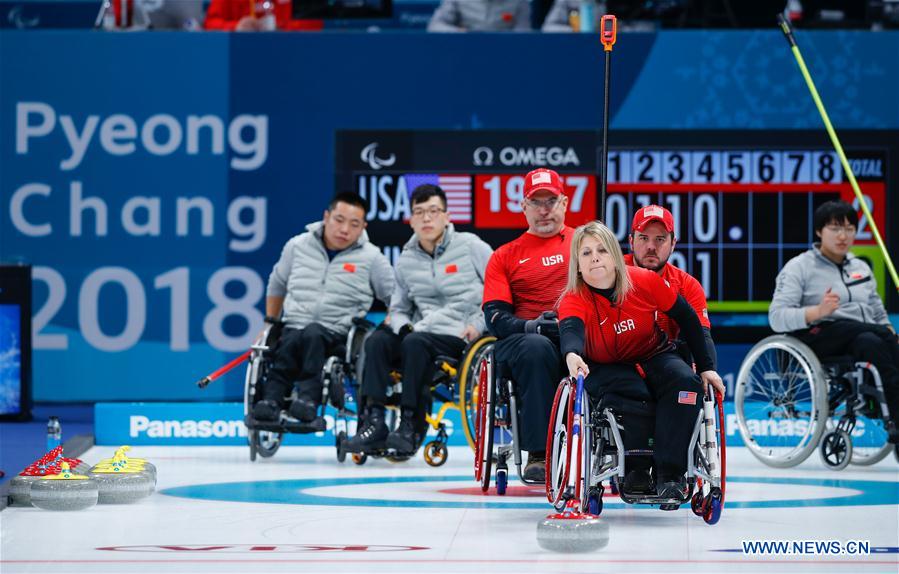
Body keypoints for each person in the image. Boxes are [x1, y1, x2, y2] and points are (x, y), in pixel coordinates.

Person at [558, 221, 725, 502]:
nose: (595, 257)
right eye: (585, 253)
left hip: (653, 353)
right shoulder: (574, 298)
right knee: (635, 392)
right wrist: (572, 354)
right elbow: (571, 330)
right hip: (605, 364)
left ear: (614, 256)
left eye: (601, 250)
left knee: (685, 385)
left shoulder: (644, 281)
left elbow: (688, 318)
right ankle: (635, 470)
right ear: (577, 265)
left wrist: (706, 367)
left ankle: (671, 475)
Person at [344, 185, 494, 455]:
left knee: (415, 342)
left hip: (461, 336)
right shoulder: (405, 259)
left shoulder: (472, 247)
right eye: (419, 212)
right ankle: (374, 421)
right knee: (377, 340)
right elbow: (399, 307)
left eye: (433, 211)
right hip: (420, 332)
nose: (426, 218)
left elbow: (498, 294)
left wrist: (478, 325)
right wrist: (403, 326)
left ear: (447, 216)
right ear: (411, 219)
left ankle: (410, 425)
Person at [253, 192, 394, 422]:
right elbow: (277, 283)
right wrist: (269, 323)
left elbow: (395, 298)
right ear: (326, 217)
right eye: (339, 220)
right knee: (288, 340)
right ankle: (271, 399)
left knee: (313, 333)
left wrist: (391, 321)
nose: (344, 229)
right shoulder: (297, 246)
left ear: (363, 227)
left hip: (339, 335)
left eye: (354, 224)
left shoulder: (372, 258)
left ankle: (309, 398)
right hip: (294, 328)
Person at [769, 200, 899, 443]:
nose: (843, 235)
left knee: (872, 340)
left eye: (850, 229)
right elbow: (777, 317)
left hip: (862, 337)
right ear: (819, 231)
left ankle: (888, 416)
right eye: (836, 228)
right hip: (818, 334)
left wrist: (889, 330)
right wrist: (817, 311)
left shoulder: (861, 267)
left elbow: (878, 313)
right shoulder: (799, 267)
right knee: (878, 334)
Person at [482, 167, 573, 482]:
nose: (544, 209)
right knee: (537, 349)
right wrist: (532, 326)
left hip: (577, 332)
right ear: (524, 207)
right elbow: (495, 318)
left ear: (564, 202)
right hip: (526, 340)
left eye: (551, 200)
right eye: (537, 202)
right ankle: (539, 453)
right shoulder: (505, 255)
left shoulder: (585, 243)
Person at [626, 204, 716, 369]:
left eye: (660, 239)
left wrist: (708, 371)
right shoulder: (611, 273)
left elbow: (702, 336)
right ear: (631, 241)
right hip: (620, 363)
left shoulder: (687, 286)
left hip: (666, 365)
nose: (651, 246)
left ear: (673, 244)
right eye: (644, 238)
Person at [204, 0, 323, 31]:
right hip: (239, 50)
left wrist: (279, 26)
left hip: (278, 49)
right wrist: (236, 26)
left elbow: (314, 23)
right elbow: (210, 23)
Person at [428, 0, 531, 32]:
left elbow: (524, 34)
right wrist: (460, 32)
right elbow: (435, 26)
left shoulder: (519, 2)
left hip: (505, 56)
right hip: (464, 53)